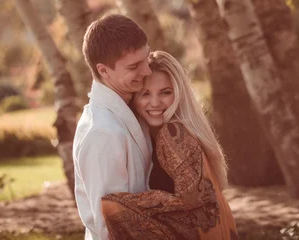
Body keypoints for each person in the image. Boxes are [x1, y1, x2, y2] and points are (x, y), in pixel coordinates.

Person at [101, 51, 238, 240]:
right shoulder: (171, 134)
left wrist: (117, 205)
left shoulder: (173, 134)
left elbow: (198, 209)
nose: (155, 103)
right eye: (145, 94)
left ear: (179, 94)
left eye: (165, 92)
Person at [73, 14, 154, 240]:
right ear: (104, 71)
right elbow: (111, 225)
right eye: (134, 66)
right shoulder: (103, 132)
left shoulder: (130, 111)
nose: (147, 71)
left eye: (146, 59)